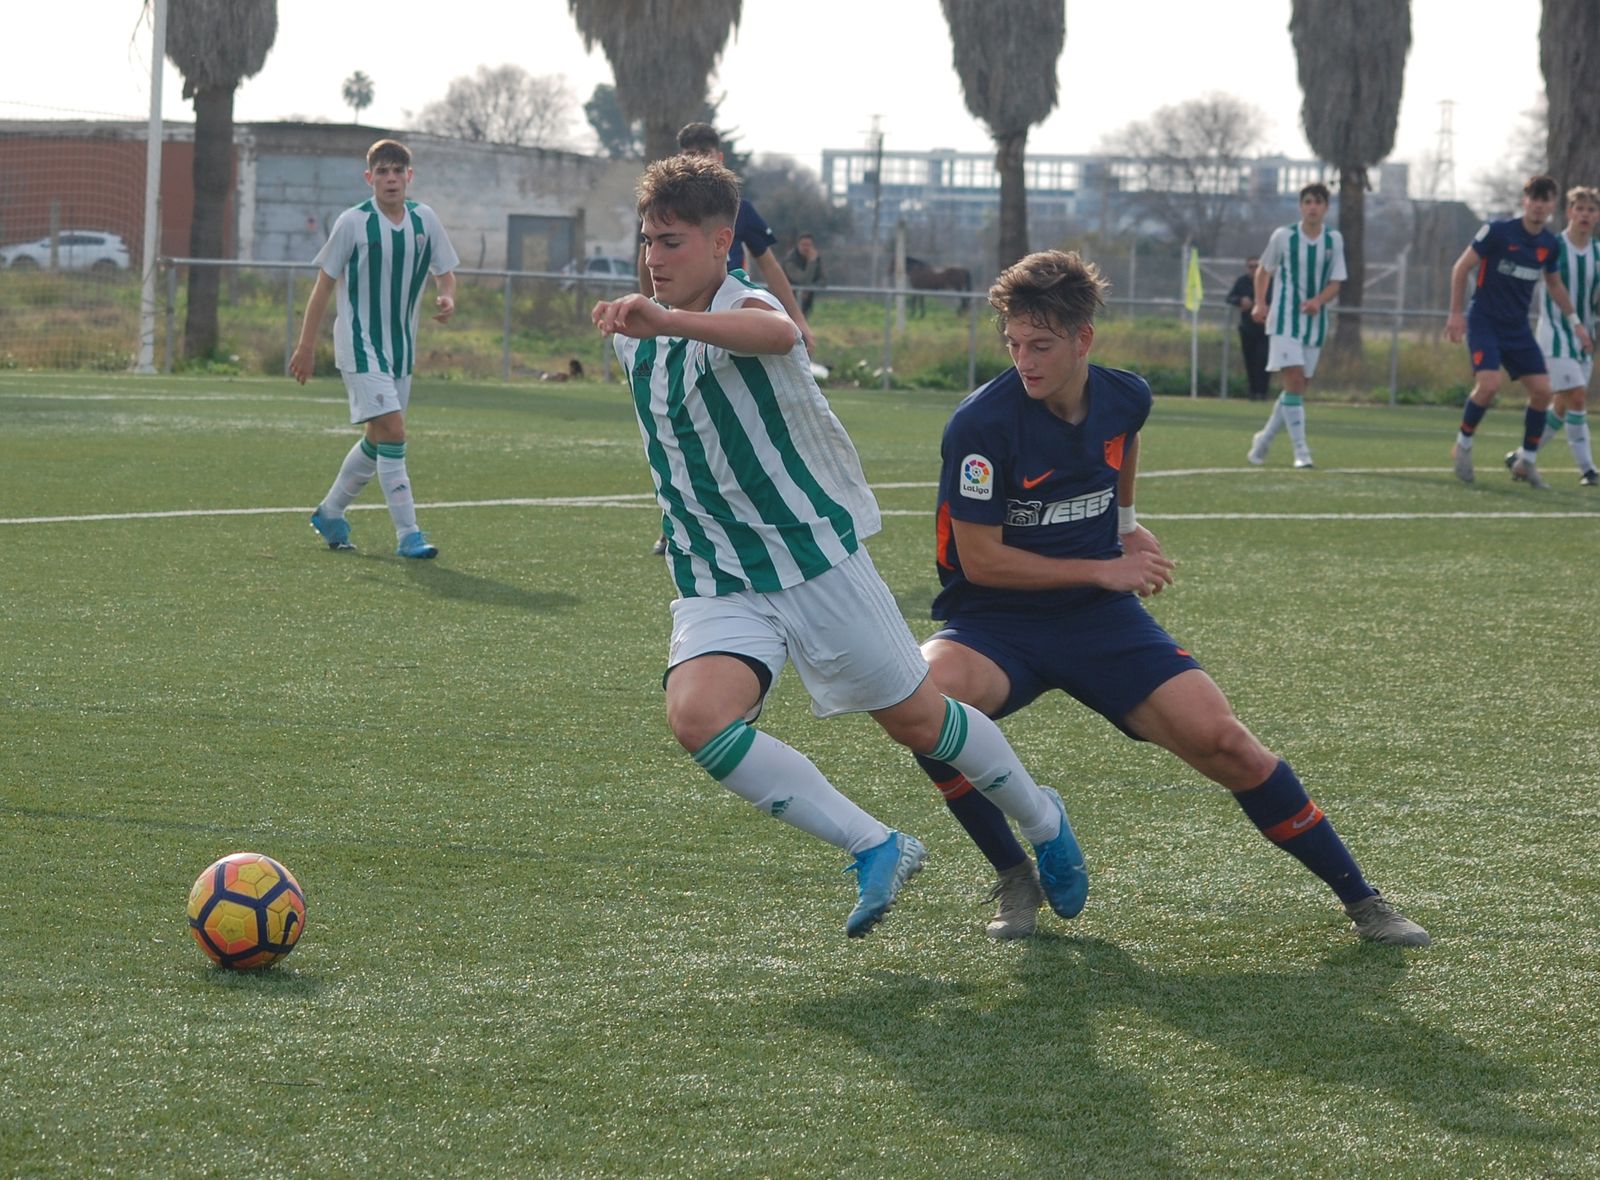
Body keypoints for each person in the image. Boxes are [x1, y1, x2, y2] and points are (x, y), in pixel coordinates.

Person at [591, 153, 1088, 938]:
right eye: (648, 240)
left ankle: (1043, 818)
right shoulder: (636, 336)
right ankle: (876, 844)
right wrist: (655, 324)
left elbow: (777, 331)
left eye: (673, 242)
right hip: (718, 575)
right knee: (697, 718)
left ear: (721, 242)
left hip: (813, 558)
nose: (654, 258)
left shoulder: (737, 303)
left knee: (920, 722)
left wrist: (671, 320)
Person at [913, 248, 1430, 948]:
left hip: (1099, 621)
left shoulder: (1126, 396)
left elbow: (1121, 447)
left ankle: (1364, 902)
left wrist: (1125, 525)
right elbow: (981, 561)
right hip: (995, 622)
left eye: (1040, 345)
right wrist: (1103, 568)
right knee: (922, 705)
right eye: (1013, 344)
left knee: (1229, 745)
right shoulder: (980, 424)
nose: (1024, 361)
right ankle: (1015, 870)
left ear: (1083, 339)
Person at [645, 121, 819, 557]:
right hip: (686, 322)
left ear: (719, 158)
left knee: (742, 428)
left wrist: (797, 317)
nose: (654, 256)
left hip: (730, 321)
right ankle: (682, 521)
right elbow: (650, 266)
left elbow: (770, 267)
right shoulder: (664, 214)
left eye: (704, 157)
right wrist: (653, 314)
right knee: (682, 426)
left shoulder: (739, 210)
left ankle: (780, 519)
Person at [290, 138, 459, 559]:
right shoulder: (353, 222)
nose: (391, 179)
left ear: (409, 176)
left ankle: (330, 512)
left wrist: (447, 296)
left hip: (400, 348)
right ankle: (409, 534)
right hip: (358, 343)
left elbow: (445, 271)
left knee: (378, 436)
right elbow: (323, 287)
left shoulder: (425, 219)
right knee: (395, 431)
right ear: (369, 178)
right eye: (382, 172)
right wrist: (305, 346)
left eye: (397, 171)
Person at [1446, 174, 1592, 487]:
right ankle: (1463, 445)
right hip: (1485, 320)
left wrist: (1576, 323)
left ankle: (1527, 461)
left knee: (1543, 391)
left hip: (1517, 328)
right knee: (1489, 385)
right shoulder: (1498, 232)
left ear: (1552, 206)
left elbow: (1554, 284)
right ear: (1525, 201)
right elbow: (1461, 267)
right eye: (1534, 199)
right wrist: (1456, 313)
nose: (1539, 206)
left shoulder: (1548, 245)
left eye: (1545, 200)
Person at [1500, 184, 1600, 487]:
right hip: (1555, 334)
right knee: (1577, 396)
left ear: (1597, 216)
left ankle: (1521, 458)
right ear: (1569, 212)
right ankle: (1588, 470)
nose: (1585, 215)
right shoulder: (1553, 246)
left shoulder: (1598, 252)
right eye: (1579, 209)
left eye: (1591, 210)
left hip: (1586, 338)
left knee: (1562, 404)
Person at [1246, 183, 1346, 469]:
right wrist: (1260, 303)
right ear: (1301, 206)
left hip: (1315, 323)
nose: (1312, 207)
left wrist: (1318, 301)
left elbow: (1336, 282)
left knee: (1298, 388)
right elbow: (1264, 270)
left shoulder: (1334, 240)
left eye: (1318, 202)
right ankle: (1301, 452)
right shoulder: (1283, 236)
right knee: (1294, 378)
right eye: (1307, 202)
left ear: (1326, 207)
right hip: (1284, 321)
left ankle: (1264, 439)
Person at [1226, 256, 1269, 400]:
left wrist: (1265, 306)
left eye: (1257, 266)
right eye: (1251, 266)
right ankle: (1253, 392)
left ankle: (1263, 392)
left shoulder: (1269, 281)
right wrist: (1240, 301)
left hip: (1266, 329)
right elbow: (1230, 298)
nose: (1254, 269)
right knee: (1250, 361)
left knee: (1263, 360)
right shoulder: (1242, 282)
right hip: (1247, 328)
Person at [782, 232, 826, 317]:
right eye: (803, 245)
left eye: (809, 245)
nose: (806, 248)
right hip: (788, 301)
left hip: (805, 302)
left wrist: (810, 288)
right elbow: (801, 280)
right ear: (798, 245)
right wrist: (811, 262)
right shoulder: (790, 260)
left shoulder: (815, 258)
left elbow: (823, 280)